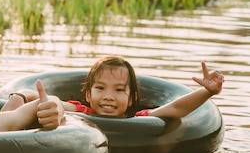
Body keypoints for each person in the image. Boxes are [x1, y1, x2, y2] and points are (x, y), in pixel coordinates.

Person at [62, 56, 224, 118]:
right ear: (88, 95)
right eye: (100, 88)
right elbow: (53, 101)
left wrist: (208, 92)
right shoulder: (81, 112)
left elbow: (176, 108)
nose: (108, 96)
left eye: (119, 90)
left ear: (132, 99)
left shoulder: (139, 120)